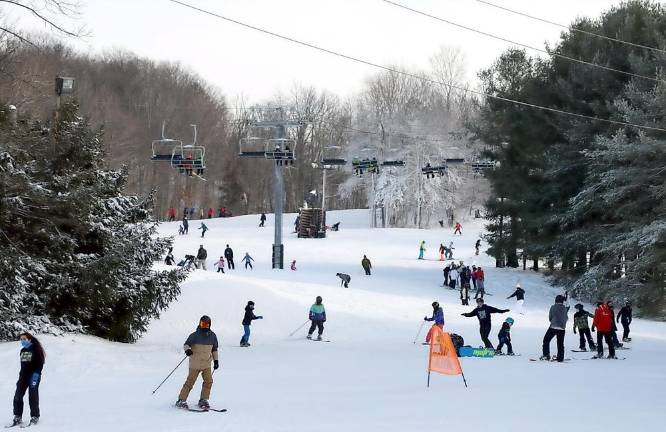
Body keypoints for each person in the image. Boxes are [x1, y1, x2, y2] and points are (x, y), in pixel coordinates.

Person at [175, 316, 219, 410]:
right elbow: (186, 344)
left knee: (208, 381)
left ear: (209, 325)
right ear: (200, 323)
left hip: (206, 364)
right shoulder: (195, 335)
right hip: (195, 364)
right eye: (203, 324)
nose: (205, 326)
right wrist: (188, 350)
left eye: (207, 324)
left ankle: (203, 399)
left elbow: (214, 349)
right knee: (190, 382)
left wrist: (216, 361)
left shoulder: (213, 336)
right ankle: (181, 400)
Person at [10, 332, 45, 427]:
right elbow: (24, 366)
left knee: (32, 395)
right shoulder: (23, 351)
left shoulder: (37, 350)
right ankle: (17, 416)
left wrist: (35, 376)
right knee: (18, 395)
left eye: (24, 339)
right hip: (24, 376)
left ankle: (35, 416)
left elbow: (40, 364)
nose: (22, 341)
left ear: (30, 339)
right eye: (21, 339)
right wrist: (21, 377)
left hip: (34, 375)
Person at [540, 294, 569, 362]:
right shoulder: (565, 308)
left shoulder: (553, 307)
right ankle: (560, 358)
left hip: (553, 326)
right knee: (560, 343)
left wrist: (553, 321)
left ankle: (546, 355)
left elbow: (550, 317)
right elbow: (566, 317)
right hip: (562, 328)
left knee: (546, 340)